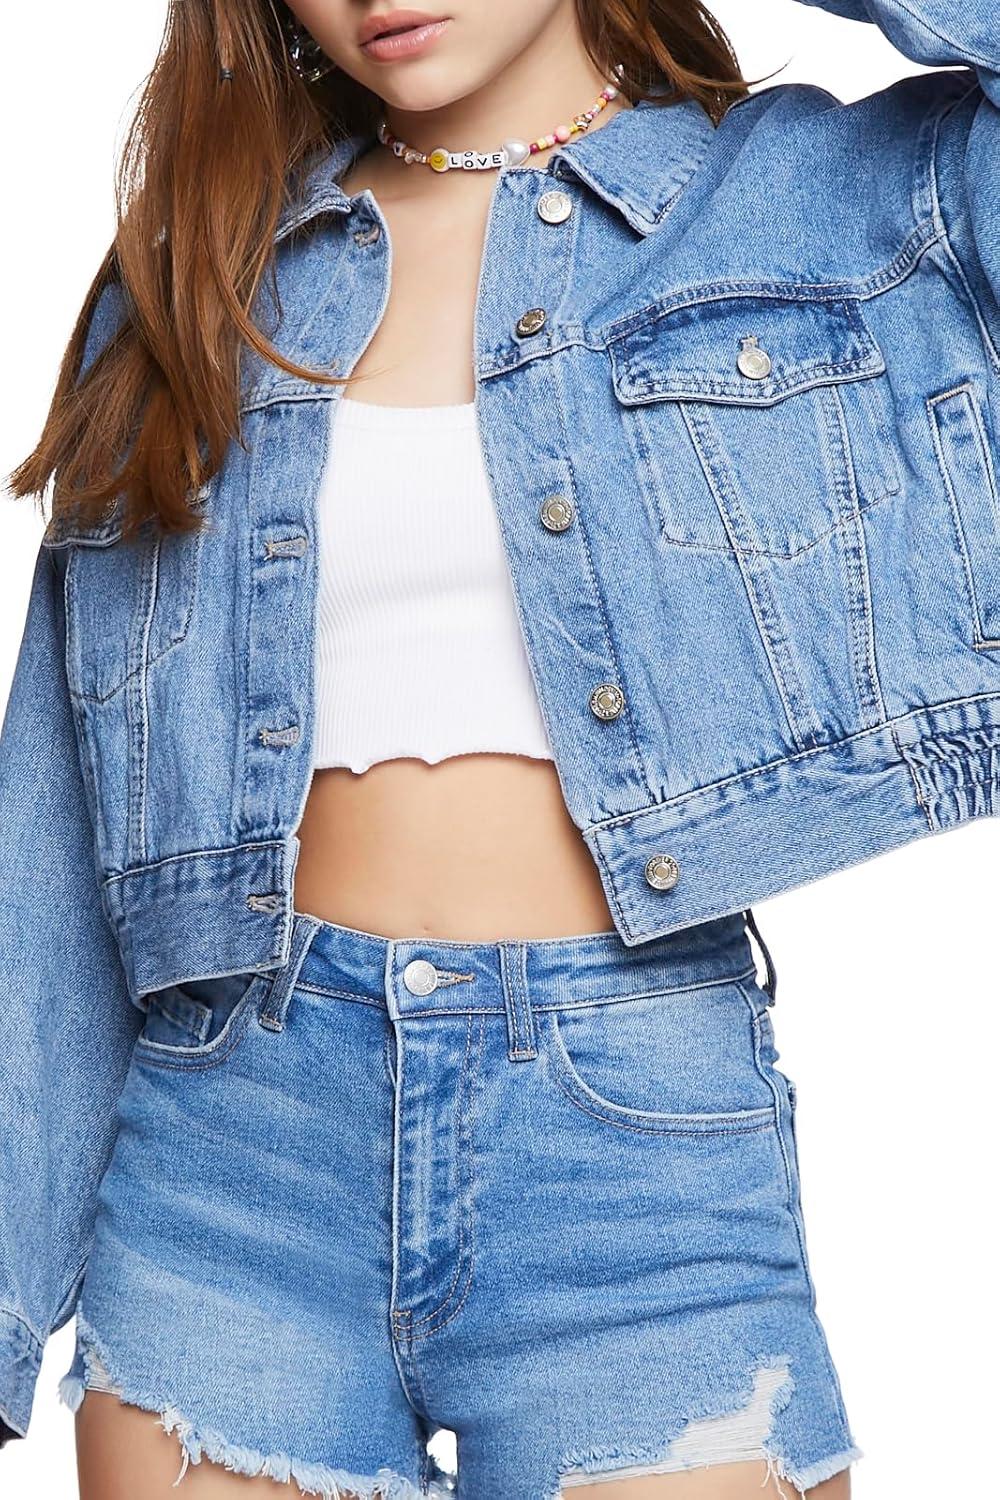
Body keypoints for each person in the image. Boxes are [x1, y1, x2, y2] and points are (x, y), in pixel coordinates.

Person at [2, 1, 997, 1495]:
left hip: (638, 1167)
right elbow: (58, 843)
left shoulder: (830, 203)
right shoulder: (202, 274)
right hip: (231, 1160)